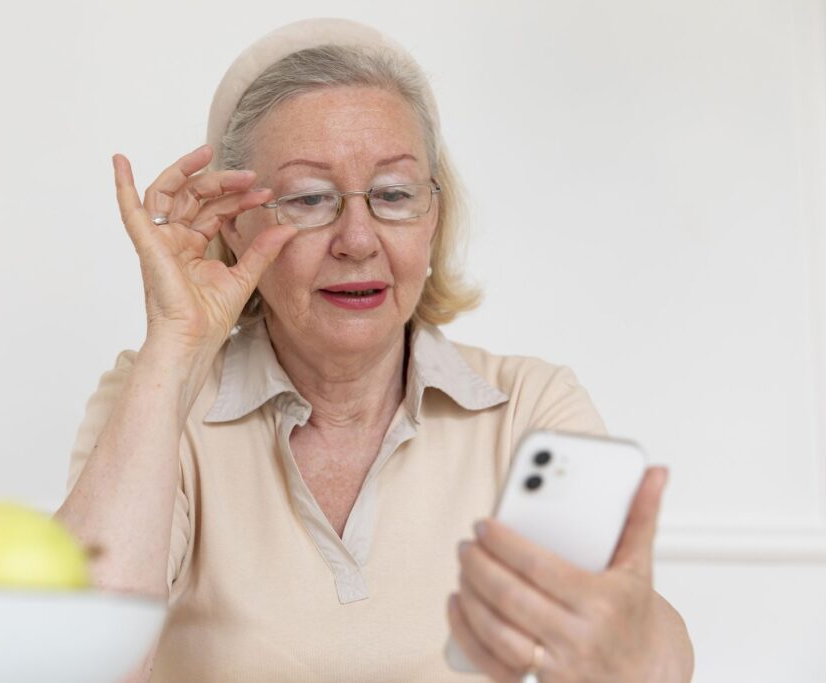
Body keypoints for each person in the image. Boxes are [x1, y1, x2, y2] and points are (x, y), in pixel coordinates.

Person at [55, 17, 694, 683]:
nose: (357, 239)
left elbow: (632, 641)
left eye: (393, 194)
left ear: (433, 216)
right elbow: (80, 660)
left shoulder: (528, 406)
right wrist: (174, 348)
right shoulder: (157, 397)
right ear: (234, 223)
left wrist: (643, 645)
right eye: (308, 198)